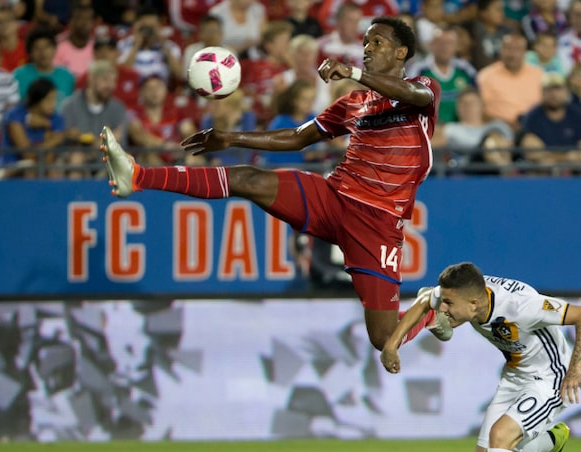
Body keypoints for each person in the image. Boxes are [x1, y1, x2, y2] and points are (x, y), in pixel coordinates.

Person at [100, 17, 448, 351]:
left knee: (384, 337)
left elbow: (411, 95)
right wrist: (231, 138)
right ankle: (138, 176)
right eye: (366, 42)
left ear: (401, 52)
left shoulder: (424, 88)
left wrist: (353, 73)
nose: (368, 48)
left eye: (378, 42)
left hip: (377, 224)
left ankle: (431, 309)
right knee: (246, 178)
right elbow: (297, 138)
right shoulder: (355, 103)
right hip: (333, 197)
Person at [379, 261, 581, 452]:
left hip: (549, 378)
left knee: (501, 436)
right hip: (514, 375)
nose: (442, 308)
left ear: (474, 303)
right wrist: (391, 345)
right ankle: (551, 442)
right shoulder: (465, 294)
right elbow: (424, 300)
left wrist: (575, 370)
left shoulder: (522, 306)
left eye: (448, 303)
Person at [520, 72, 581, 172]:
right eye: (549, 90)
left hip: (575, 170)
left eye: (558, 89)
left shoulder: (578, 115)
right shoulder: (533, 116)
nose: (554, 94)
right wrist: (567, 157)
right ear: (542, 93)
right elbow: (532, 152)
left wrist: (551, 156)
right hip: (544, 171)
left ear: (566, 91)